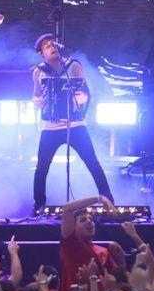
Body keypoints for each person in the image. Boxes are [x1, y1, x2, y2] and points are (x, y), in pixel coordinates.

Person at [31, 34, 114, 213]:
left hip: (75, 125)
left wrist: (83, 97)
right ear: (41, 53)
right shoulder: (38, 71)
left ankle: (109, 202)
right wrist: (37, 101)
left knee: (92, 163)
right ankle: (38, 206)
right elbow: (36, 95)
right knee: (41, 168)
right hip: (50, 127)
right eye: (46, 46)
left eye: (53, 43)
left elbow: (86, 92)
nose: (51, 46)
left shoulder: (73, 66)